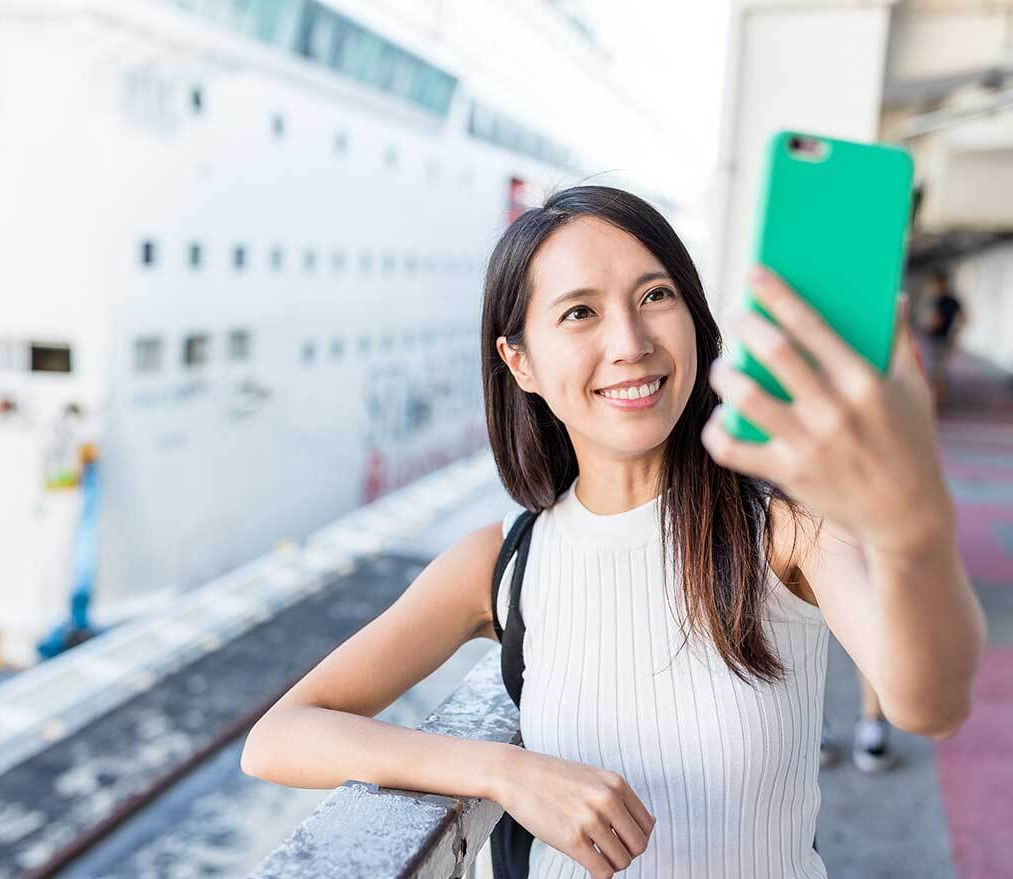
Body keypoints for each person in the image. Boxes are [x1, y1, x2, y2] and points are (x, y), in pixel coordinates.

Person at [240, 186, 986, 877]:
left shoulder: (784, 530)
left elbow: (931, 702)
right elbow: (279, 736)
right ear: (519, 361)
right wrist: (505, 771)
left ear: (696, 320)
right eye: (580, 312)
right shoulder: (501, 560)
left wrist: (914, 519)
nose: (630, 342)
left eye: (655, 296)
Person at [923, 268, 966, 409]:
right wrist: (955, 334)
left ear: (939, 284)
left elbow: (937, 320)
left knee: (934, 371)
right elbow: (964, 318)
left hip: (936, 338)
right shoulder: (954, 300)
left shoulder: (939, 300)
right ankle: (941, 400)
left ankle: (936, 402)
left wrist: (927, 329)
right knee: (941, 370)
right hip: (946, 338)